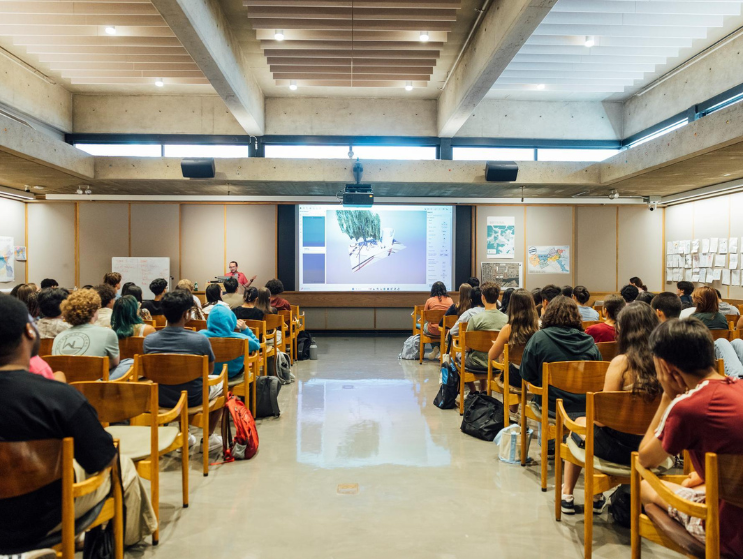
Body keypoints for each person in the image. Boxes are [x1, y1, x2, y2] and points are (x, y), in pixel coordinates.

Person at [0, 295, 157, 549]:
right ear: (29, 332)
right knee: (123, 464)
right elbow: (104, 460)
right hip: (43, 519)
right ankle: (124, 542)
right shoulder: (58, 396)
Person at [638, 319, 743, 559]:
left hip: (725, 531)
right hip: (731, 500)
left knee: (644, 487)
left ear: (664, 365)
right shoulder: (739, 387)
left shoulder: (688, 407)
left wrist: (667, 396)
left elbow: (645, 458)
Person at [560, 302, 661, 515]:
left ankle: (568, 493)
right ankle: (595, 496)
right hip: (655, 447)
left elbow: (603, 420)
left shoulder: (622, 363)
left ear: (623, 330)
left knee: (579, 426)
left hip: (620, 447)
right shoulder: (667, 363)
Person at [143, 290, 223, 452]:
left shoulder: (149, 341)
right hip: (194, 397)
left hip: (161, 398)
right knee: (221, 387)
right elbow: (209, 371)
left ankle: (184, 435)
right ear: (187, 314)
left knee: (175, 382)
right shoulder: (200, 340)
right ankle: (208, 438)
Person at [520, 296, 602, 421]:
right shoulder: (589, 341)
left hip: (551, 406)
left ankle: (547, 440)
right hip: (585, 407)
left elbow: (527, 374)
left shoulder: (539, 338)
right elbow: (598, 377)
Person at [487, 288, 540, 411]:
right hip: (535, 377)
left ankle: (512, 409)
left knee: (510, 367)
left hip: (516, 377)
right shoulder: (540, 327)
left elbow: (491, 355)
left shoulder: (508, 329)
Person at [52, 289, 120, 372]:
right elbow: (115, 363)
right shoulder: (108, 333)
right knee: (127, 362)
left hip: (65, 382)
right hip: (95, 382)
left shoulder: (59, 336)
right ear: (93, 311)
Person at [199, 305, 260, 380]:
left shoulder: (200, 336)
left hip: (210, 375)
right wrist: (245, 329)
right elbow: (257, 345)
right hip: (234, 374)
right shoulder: (242, 338)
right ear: (232, 320)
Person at [465, 282, 507, 372]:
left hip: (477, 363)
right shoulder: (507, 319)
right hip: (499, 363)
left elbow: (468, 347)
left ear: (482, 297)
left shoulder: (475, 319)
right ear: (498, 297)